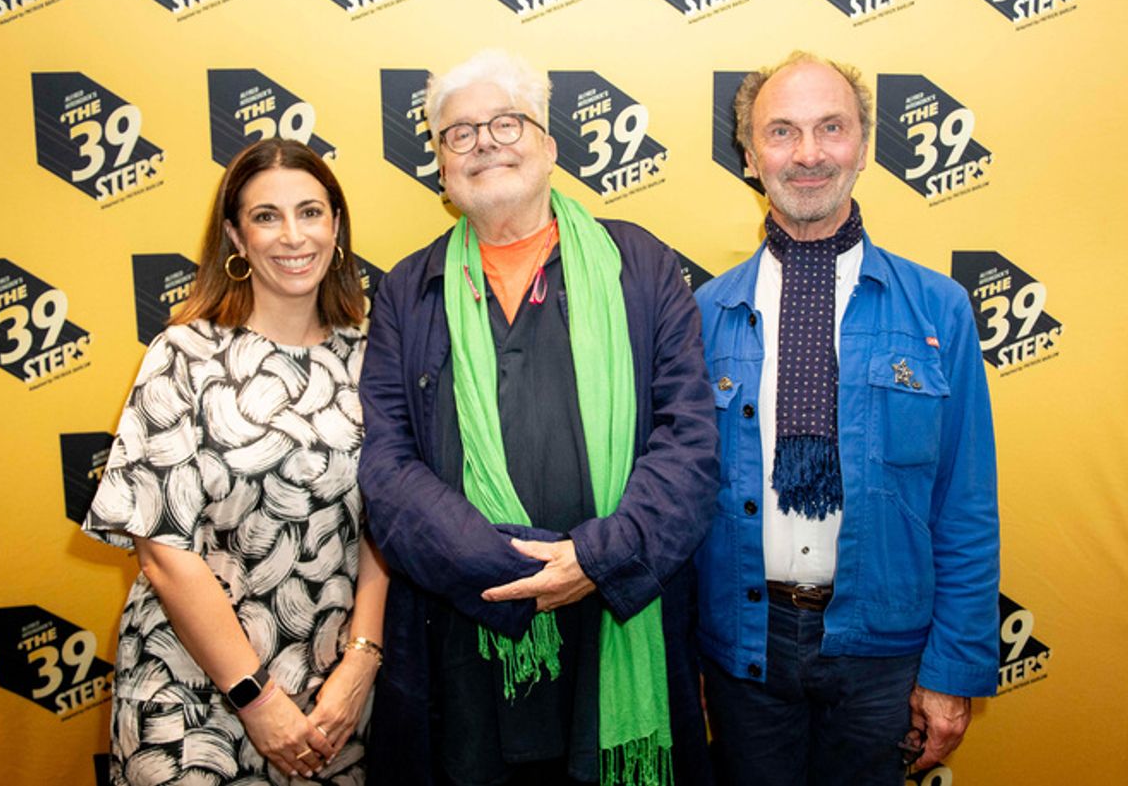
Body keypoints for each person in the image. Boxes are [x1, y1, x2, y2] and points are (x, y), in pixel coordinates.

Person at [357, 49, 718, 786]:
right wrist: (507, 571)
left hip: (618, 614)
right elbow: (387, 469)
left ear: (549, 146)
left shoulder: (640, 265)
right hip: (470, 632)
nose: (485, 141)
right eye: (459, 133)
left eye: (507, 122)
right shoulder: (406, 289)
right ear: (441, 167)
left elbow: (690, 440)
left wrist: (595, 559)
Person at [694, 51, 1000, 786]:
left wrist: (953, 669)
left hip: (886, 655)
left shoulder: (938, 310)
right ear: (748, 154)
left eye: (831, 128)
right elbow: (678, 507)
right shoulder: (702, 316)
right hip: (743, 647)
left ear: (863, 144)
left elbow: (965, 505)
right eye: (782, 132)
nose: (807, 154)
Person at [83, 137, 389, 785]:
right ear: (235, 235)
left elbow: (389, 522)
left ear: (337, 227)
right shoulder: (184, 353)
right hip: (192, 695)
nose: (292, 235)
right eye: (266, 216)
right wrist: (258, 698)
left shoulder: (371, 357)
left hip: (330, 704)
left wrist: (363, 659)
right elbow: (163, 551)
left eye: (310, 211)